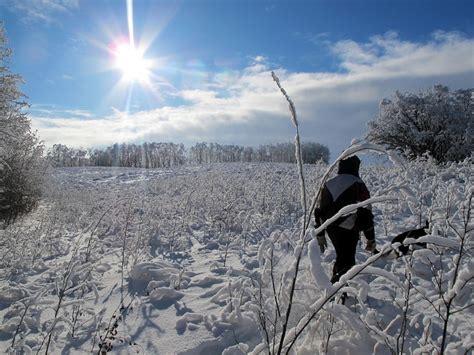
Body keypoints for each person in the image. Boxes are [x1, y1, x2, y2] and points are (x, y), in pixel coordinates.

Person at [314, 155, 376, 283]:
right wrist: (370, 237)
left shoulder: (328, 184)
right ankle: (335, 293)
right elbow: (366, 212)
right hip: (350, 227)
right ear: (356, 166)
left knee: (342, 257)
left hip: (331, 227)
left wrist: (320, 233)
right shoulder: (358, 183)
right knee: (347, 261)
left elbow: (319, 210)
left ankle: (337, 292)